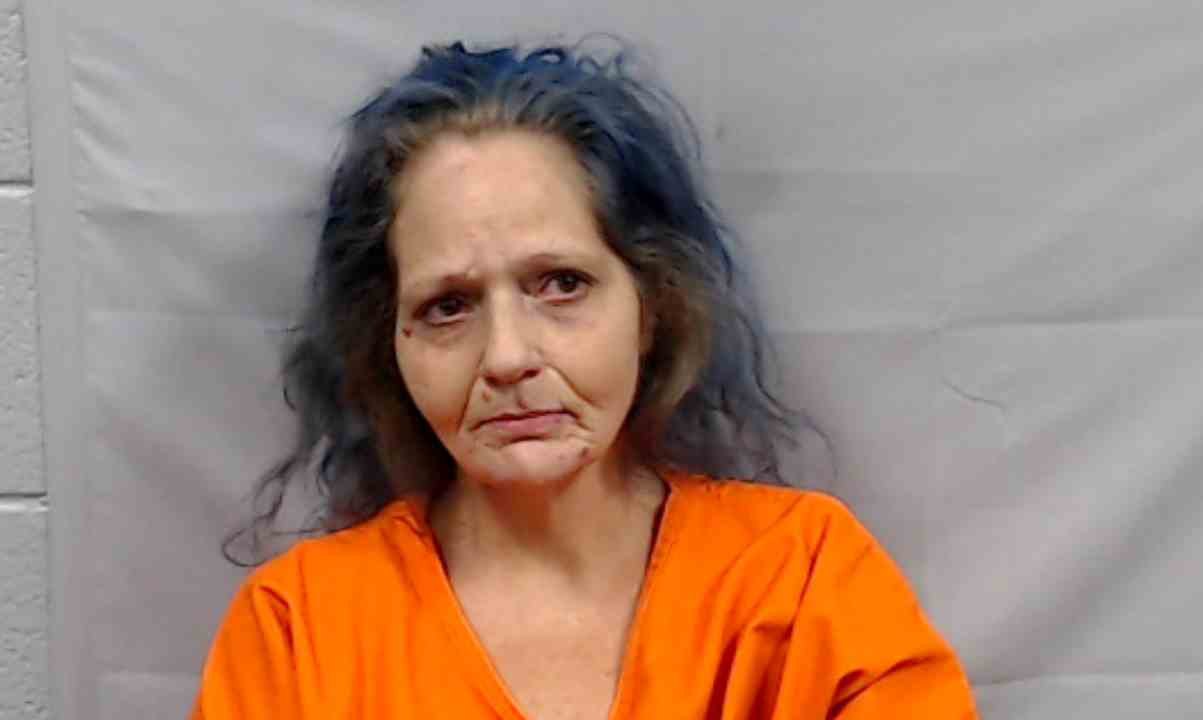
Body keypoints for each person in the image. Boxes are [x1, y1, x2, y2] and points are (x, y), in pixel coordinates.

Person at [190, 40, 979, 719]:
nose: (506, 357)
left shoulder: (803, 582)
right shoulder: (298, 632)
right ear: (387, 343)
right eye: (448, 306)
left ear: (652, 305)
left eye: (562, 284)